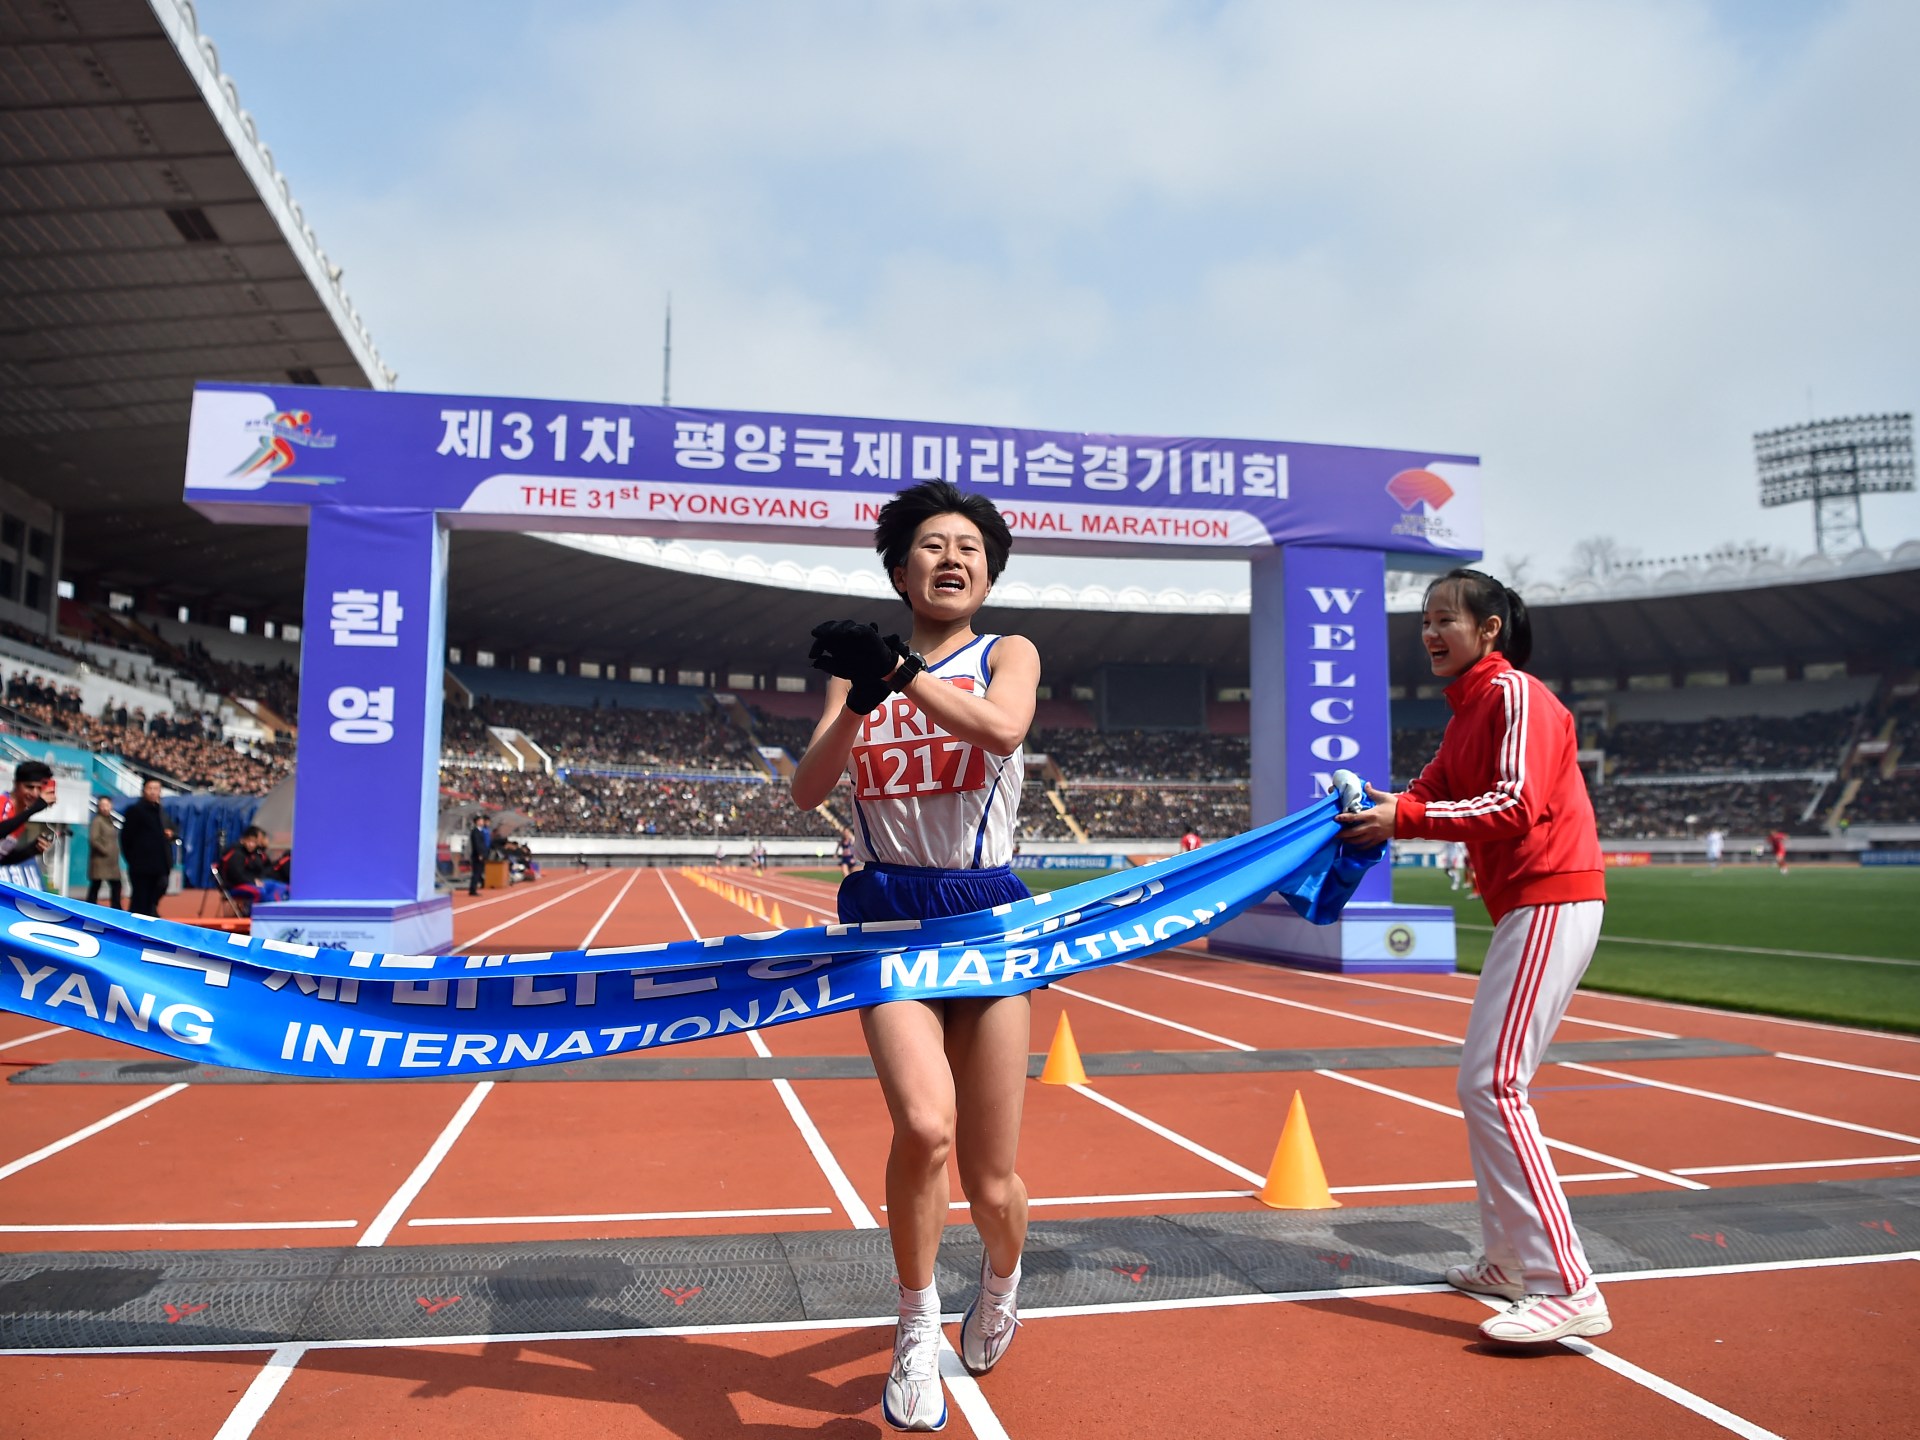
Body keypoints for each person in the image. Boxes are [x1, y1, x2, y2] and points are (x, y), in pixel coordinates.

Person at [790, 480, 1039, 1431]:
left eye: (969, 548)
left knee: (992, 1182)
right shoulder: (857, 677)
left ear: (988, 575)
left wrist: (902, 674)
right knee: (925, 1128)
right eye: (932, 545)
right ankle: (915, 1322)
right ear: (900, 571)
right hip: (887, 917)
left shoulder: (1007, 653)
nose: (952, 558)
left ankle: (1003, 1282)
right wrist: (861, 696)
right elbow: (809, 790)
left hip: (987, 917)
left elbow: (1003, 728)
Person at [1337, 568, 1612, 1347]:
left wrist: (1403, 817)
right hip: (1528, 904)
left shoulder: (1515, 695)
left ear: (1489, 629)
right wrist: (1364, 809)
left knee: (1495, 1084)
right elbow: (1421, 796)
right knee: (1482, 1084)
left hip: (1553, 894)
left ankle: (1566, 1284)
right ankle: (1509, 1261)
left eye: (1445, 619)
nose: (1430, 633)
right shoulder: (1465, 715)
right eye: (1424, 620)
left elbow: (1517, 804)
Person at [121, 777, 174, 916]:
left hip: (160, 864)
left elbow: (172, 828)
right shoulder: (135, 811)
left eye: (156, 789)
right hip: (141, 866)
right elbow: (126, 838)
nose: (153, 792)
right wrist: (133, 860)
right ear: (143, 790)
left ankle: (151, 912)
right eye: (150, 789)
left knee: (160, 887)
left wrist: (171, 834)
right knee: (140, 901)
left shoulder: (161, 811)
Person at [0, 760, 56, 891]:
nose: (35, 794)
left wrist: (32, 850)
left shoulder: (20, 817)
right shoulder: (3, 803)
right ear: (16, 784)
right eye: (29, 787)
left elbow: (3, 860)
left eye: (39, 789)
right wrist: (33, 809)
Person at [87, 794, 125, 908]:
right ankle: (92, 907)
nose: (105, 808)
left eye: (107, 805)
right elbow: (93, 839)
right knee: (99, 884)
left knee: (112, 885)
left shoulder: (109, 820)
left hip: (111, 862)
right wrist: (105, 850)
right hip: (100, 860)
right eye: (102, 805)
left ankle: (115, 907)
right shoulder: (97, 821)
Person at [467, 815, 491, 895]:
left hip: (482, 854)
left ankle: (474, 888)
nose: (482, 822)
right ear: (477, 822)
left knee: (479, 872)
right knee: (476, 872)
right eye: (481, 821)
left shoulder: (481, 831)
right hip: (477, 855)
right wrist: (480, 854)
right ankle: (472, 890)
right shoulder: (475, 831)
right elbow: (477, 844)